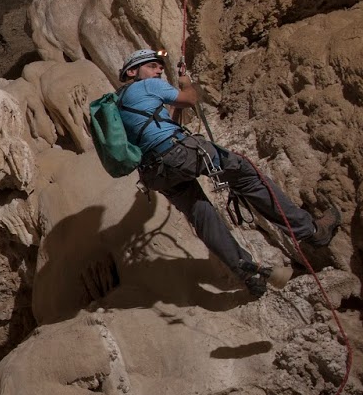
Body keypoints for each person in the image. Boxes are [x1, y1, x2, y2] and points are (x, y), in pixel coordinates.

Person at [116, 48, 340, 296]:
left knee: (201, 214)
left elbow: (163, 126)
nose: (158, 70)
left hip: (154, 173)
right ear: (132, 71)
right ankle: (310, 231)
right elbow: (191, 98)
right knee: (245, 174)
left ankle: (248, 275)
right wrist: (187, 84)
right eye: (151, 65)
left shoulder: (119, 104)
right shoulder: (147, 87)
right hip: (180, 154)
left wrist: (176, 106)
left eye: (160, 66)